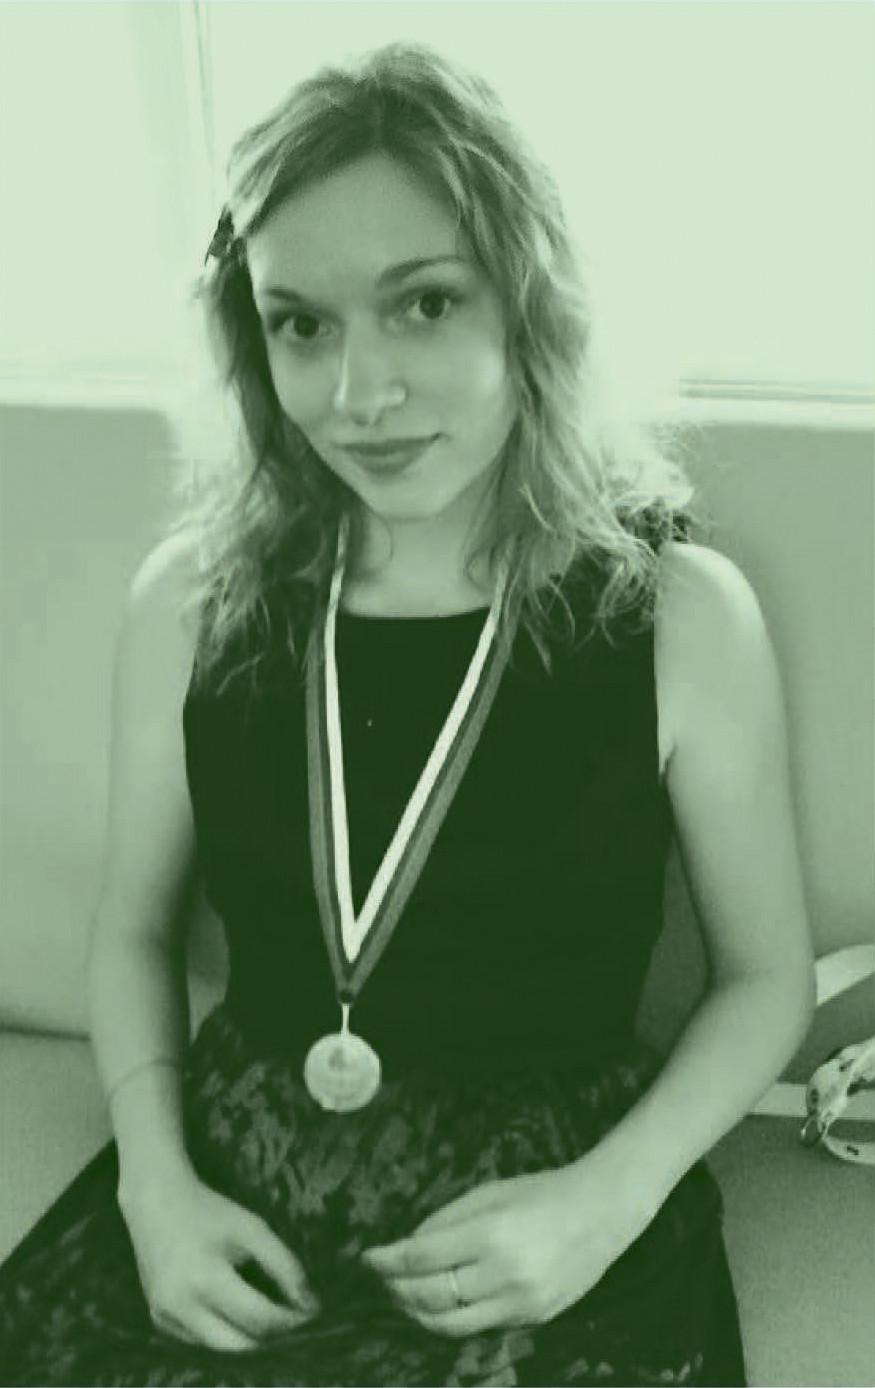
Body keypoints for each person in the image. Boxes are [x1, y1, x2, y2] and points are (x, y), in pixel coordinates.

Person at [0, 40, 815, 1388]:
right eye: (301, 324)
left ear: (529, 304)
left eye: (424, 304)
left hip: (549, 1212)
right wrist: (154, 1187)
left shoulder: (679, 615)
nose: (358, 394)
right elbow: (133, 932)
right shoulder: (191, 602)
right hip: (231, 1202)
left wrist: (607, 1202)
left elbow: (765, 978)